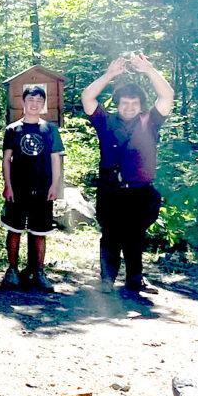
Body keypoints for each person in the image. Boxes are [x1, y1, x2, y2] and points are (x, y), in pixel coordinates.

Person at [81, 54, 173, 294]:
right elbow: (87, 97)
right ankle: (106, 281)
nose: (129, 107)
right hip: (110, 191)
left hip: (141, 192)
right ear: (118, 104)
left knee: (136, 237)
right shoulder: (105, 122)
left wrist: (150, 70)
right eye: (124, 103)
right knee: (110, 236)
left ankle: (135, 279)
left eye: (134, 103)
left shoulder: (151, 121)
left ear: (141, 105)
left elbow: (167, 96)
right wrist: (110, 75)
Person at [0, 85, 64, 292]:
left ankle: (38, 271)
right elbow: (6, 160)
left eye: (39, 101)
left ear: (43, 104)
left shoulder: (50, 129)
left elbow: (56, 159)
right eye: (31, 100)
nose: (34, 104)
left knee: (40, 231)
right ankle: (12, 270)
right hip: (17, 188)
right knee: (14, 230)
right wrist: (7, 185)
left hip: (42, 188)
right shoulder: (13, 129)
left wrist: (55, 185)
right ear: (23, 102)